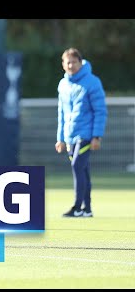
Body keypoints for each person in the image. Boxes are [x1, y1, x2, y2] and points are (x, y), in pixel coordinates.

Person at [55, 47, 107, 218]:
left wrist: (96, 136)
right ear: (63, 64)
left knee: (77, 166)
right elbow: (61, 113)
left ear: (80, 62)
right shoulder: (63, 84)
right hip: (70, 136)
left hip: (85, 135)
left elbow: (100, 111)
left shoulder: (92, 82)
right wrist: (61, 139)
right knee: (83, 170)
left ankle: (77, 207)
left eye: (74, 62)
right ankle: (88, 209)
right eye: (67, 62)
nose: (71, 65)